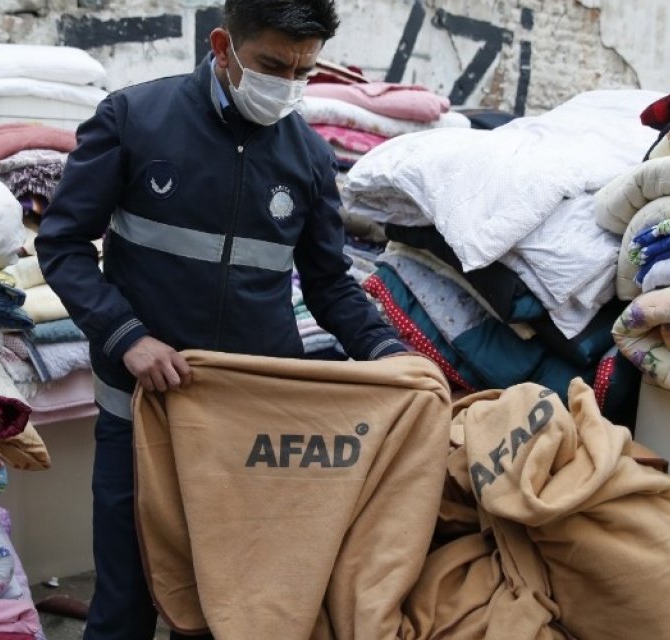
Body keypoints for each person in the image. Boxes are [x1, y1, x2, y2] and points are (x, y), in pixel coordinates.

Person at [36, 1, 413, 638]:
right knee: (125, 601)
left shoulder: (309, 157)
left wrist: (386, 350)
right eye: (272, 65)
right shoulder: (134, 119)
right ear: (222, 46)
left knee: (236, 601)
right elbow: (63, 245)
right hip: (142, 410)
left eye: (303, 71)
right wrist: (128, 338)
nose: (287, 84)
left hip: (253, 421)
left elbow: (327, 284)